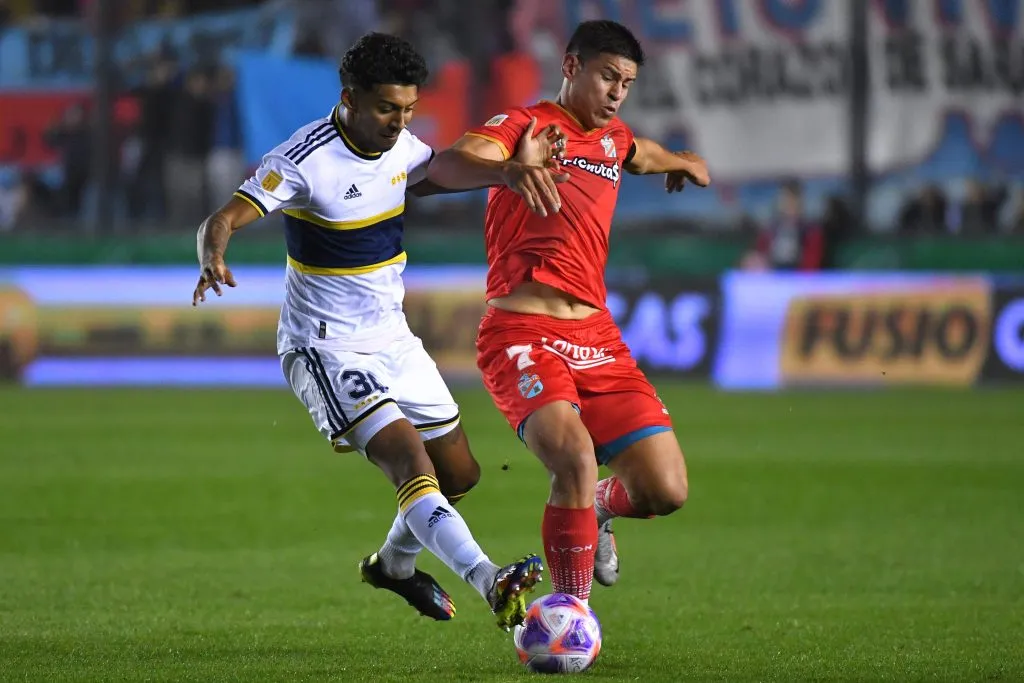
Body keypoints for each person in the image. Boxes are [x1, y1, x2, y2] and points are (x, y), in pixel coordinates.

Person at [190, 32, 564, 630]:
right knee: (408, 462)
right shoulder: (303, 159)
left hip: (393, 339)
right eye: (388, 108)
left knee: (458, 475)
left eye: (409, 109)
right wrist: (214, 253)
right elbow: (224, 217)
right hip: (326, 345)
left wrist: (509, 172)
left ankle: (392, 564)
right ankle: (491, 582)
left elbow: (436, 168)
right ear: (349, 99)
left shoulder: (398, 144)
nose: (400, 122)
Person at [426, 20, 711, 603]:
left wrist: (683, 162)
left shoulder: (614, 139)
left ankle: (600, 509)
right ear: (572, 66)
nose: (616, 92)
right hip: (522, 332)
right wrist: (510, 169)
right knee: (575, 459)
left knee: (665, 490)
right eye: (608, 76)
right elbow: (447, 166)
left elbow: (641, 154)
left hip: (597, 336)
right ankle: (570, 610)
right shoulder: (523, 126)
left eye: (626, 83)